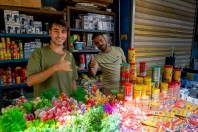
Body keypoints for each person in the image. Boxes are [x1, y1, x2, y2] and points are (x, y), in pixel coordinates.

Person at [27, 19, 78, 97]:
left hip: (66, 106)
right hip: (46, 107)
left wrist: (76, 100)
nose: (60, 35)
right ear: (50, 32)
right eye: (56, 31)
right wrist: (55, 67)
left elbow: (72, 81)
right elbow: (30, 81)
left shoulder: (69, 55)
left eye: (63, 31)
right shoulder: (38, 53)